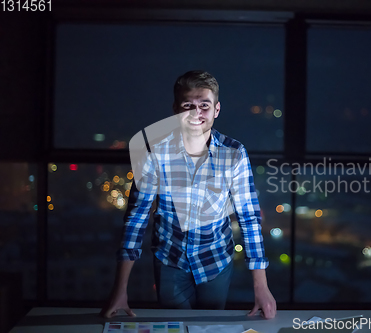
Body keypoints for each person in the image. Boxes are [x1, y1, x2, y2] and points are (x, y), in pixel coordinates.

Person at [100, 70, 276, 319]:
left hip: (216, 262)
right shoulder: (154, 152)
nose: (196, 113)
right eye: (188, 106)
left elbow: (249, 219)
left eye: (204, 105)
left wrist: (261, 287)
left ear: (216, 109)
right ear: (175, 110)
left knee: (210, 329)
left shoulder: (234, 154)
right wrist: (120, 290)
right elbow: (136, 218)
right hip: (170, 261)